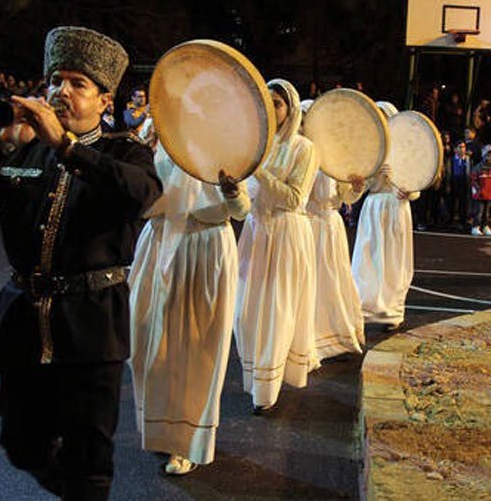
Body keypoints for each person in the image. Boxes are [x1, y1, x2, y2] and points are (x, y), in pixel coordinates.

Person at [0, 26, 161, 500]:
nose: (62, 91)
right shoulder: (23, 146)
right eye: (57, 80)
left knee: (89, 463)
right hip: (23, 325)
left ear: (104, 100)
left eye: (79, 83)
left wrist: (67, 147)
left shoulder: (127, 150)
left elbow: (140, 194)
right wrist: (1, 141)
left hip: (91, 329)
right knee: (19, 445)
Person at [129, 152, 249, 475]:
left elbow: (241, 212)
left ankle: (188, 442)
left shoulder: (228, 145)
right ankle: (160, 429)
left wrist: (232, 191)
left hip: (206, 248)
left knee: (197, 350)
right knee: (150, 342)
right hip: (160, 242)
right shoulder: (164, 141)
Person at [234, 78, 319, 414]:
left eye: (278, 103)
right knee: (247, 311)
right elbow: (243, 193)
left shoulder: (303, 148)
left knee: (277, 311)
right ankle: (256, 376)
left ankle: (266, 391)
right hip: (255, 233)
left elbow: (296, 198)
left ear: (291, 109)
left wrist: (260, 172)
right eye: (266, 101)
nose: (271, 108)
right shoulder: (254, 145)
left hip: (286, 234)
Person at [300, 100, 366, 360]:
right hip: (304, 226)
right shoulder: (295, 152)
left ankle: (331, 333)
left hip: (328, 227)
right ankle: (306, 337)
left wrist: (357, 188)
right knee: (306, 282)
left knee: (331, 279)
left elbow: (345, 196)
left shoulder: (334, 155)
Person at [351, 101, 419, 332]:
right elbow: (360, 185)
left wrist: (408, 190)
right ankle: (363, 308)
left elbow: (415, 183)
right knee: (367, 259)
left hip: (396, 207)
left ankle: (392, 312)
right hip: (373, 208)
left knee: (393, 261)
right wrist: (370, 176)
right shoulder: (369, 148)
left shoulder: (404, 149)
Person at [470, 145, 491, 236]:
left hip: (489, 194)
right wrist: (478, 190)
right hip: (480, 195)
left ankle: (485, 226)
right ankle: (475, 226)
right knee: (478, 212)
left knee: (486, 213)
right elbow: (473, 180)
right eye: (488, 155)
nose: (490, 158)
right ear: (484, 156)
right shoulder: (478, 167)